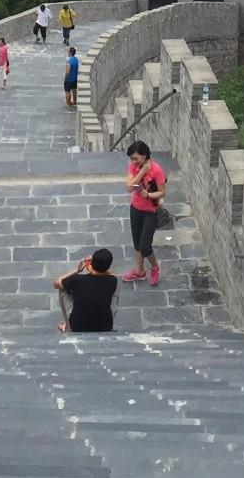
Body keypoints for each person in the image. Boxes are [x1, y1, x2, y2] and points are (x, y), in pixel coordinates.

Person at [122, 140, 165, 286]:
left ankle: (154, 267)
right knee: (137, 243)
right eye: (132, 158)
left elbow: (162, 192)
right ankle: (139, 271)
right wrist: (142, 171)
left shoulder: (157, 170)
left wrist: (148, 195)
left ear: (145, 156)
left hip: (150, 212)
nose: (133, 161)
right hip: (135, 208)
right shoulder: (134, 167)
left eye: (136, 158)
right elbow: (129, 188)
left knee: (145, 245)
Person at [54, 248, 119, 333]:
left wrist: (77, 270)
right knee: (115, 290)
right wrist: (97, 266)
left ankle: (68, 327)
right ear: (108, 266)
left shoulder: (77, 280)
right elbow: (112, 274)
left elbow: (56, 283)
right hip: (105, 326)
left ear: (92, 263)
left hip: (77, 326)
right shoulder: (112, 280)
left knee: (62, 290)